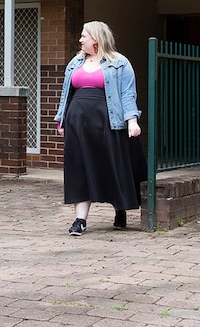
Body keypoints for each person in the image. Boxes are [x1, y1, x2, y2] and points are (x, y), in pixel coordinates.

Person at [53, 21, 144, 236]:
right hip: (78, 124)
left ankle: (119, 209)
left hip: (107, 123)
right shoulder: (75, 63)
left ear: (96, 38)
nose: (80, 39)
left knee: (109, 166)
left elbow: (127, 94)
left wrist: (132, 120)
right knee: (79, 168)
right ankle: (80, 220)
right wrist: (62, 120)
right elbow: (67, 94)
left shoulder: (119, 62)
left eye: (84, 36)